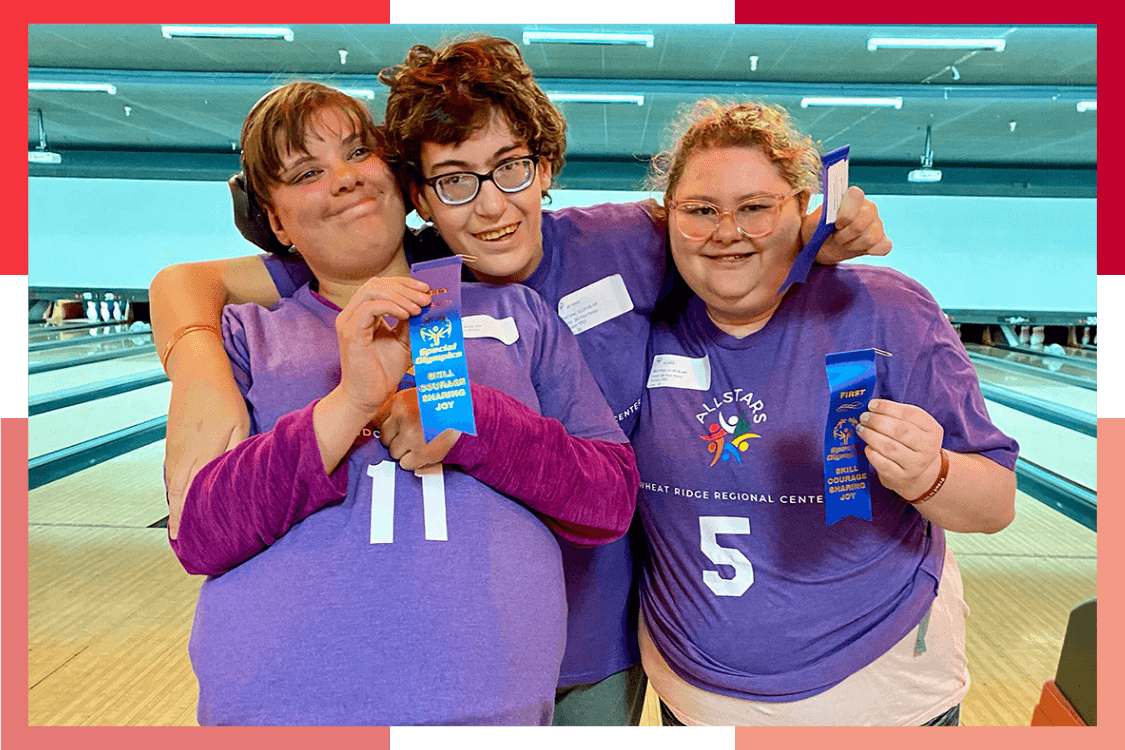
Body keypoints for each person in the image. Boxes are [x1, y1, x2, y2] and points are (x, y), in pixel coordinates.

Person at [150, 35, 892, 726]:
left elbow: (733, 234)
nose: (492, 205)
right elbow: (194, 282)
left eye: (510, 168)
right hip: (380, 669)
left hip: (593, 629)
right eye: (454, 181)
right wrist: (195, 356)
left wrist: (816, 230)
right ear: (420, 195)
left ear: (542, 165)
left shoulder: (620, 247)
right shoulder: (340, 282)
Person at [168, 81, 640, 726]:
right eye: (307, 172)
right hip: (280, 714)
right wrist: (349, 402)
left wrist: (475, 424)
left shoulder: (515, 312)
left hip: (488, 712)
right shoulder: (245, 335)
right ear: (275, 220)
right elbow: (199, 535)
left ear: (395, 177)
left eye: (358, 152)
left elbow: (608, 500)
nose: (343, 180)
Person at [632, 99, 1019, 726]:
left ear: (804, 212)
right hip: (694, 700)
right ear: (666, 219)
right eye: (700, 210)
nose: (727, 230)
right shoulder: (642, 328)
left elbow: (996, 502)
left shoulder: (890, 311)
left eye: (756, 208)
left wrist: (931, 475)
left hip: (881, 701)